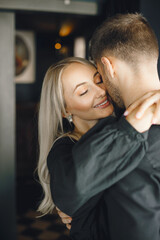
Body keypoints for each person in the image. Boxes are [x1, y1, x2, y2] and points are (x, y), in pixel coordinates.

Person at [58, 13, 160, 240]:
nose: (101, 90)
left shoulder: (134, 146)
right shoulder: (117, 131)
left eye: (99, 77)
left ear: (108, 66)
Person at [37, 56, 159, 239]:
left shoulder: (126, 119)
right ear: (65, 110)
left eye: (99, 80)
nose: (101, 91)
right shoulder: (63, 150)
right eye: (84, 91)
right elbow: (70, 191)